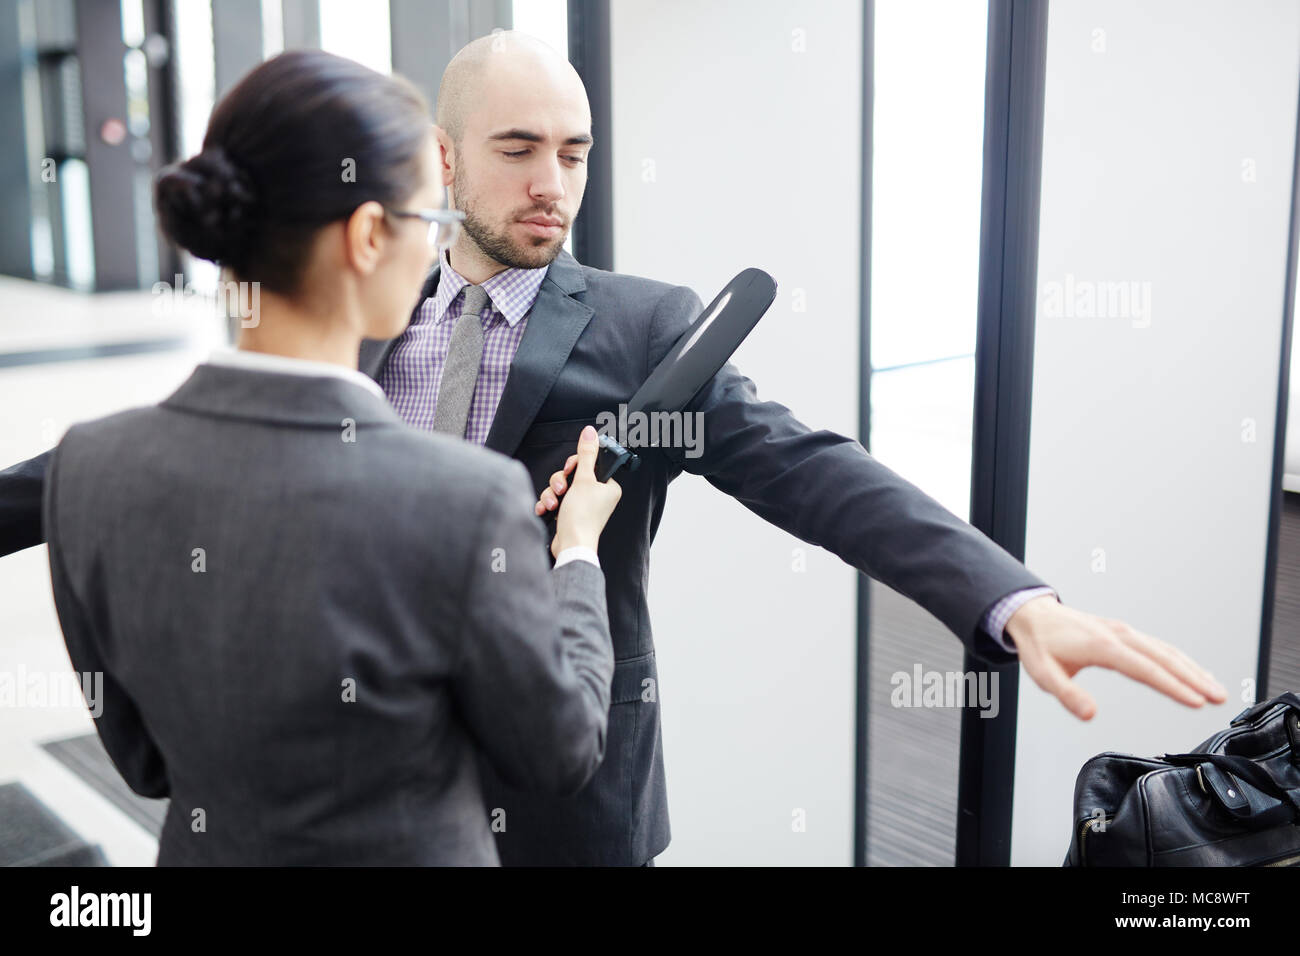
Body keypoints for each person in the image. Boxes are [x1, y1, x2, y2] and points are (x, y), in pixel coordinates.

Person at [1, 33, 1225, 867]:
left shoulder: (647, 328)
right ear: (442, 160)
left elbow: (816, 470)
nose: (555, 185)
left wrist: (1010, 600)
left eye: (576, 151)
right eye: (520, 149)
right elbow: (172, 458)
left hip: (563, 800)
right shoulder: (343, 308)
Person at [40, 49, 622, 865]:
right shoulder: (463, 500)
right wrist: (578, 557)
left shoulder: (89, 469)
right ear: (368, 236)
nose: (434, 252)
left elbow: (142, 763)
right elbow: (560, 752)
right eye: (427, 222)